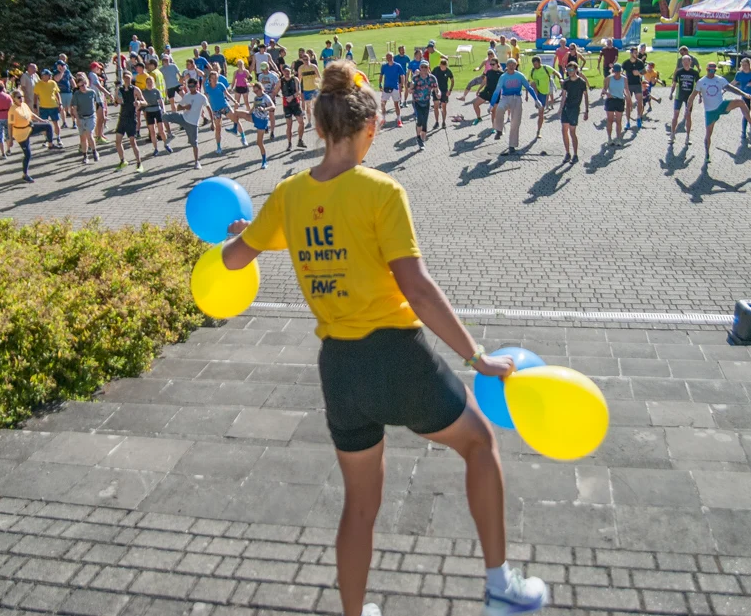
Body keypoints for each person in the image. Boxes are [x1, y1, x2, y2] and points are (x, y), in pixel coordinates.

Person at [222, 61, 547, 616]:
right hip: (396, 358)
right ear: (370, 127)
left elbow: (234, 259)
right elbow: (416, 288)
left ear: (319, 127)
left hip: (338, 370)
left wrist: (247, 234)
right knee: (479, 443)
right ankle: (500, 588)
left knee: (359, 506)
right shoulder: (381, 191)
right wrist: (476, 357)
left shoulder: (289, 194)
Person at [692, 63, 751, 162]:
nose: (712, 72)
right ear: (707, 70)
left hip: (721, 105)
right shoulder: (701, 81)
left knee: (740, 102)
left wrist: (744, 94)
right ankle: (707, 154)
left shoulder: (720, 79)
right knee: (708, 134)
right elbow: (693, 95)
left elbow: (731, 88)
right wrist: (688, 108)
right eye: (711, 70)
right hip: (710, 111)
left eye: (714, 70)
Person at [7, 90, 55, 183]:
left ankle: (50, 145)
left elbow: (31, 115)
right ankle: (25, 175)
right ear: (14, 99)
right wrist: (10, 139)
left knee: (48, 126)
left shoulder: (24, 105)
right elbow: (10, 125)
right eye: (19, 97)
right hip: (21, 134)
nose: (21, 99)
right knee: (28, 155)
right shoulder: (12, 110)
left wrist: (41, 120)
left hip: (29, 128)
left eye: (22, 96)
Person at [164, 77, 211, 169]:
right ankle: (170, 135)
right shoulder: (187, 96)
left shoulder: (202, 97)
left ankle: (197, 162)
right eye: (189, 86)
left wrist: (212, 122)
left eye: (192, 86)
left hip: (193, 123)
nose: (191, 88)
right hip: (183, 118)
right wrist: (185, 107)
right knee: (164, 116)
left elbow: (208, 108)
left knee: (194, 143)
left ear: (197, 86)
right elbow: (178, 108)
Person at [490, 59, 536, 155]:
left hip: (517, 99)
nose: (511, 66)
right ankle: (499, 129)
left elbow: (528, 87)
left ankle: (512, 145)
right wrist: (491, 104)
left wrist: (536, 99)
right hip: (505, 97)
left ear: (516, 66)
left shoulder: (520, 76)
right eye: (509, 65)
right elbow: (497, 91)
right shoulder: (503, 77)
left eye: (513, 65)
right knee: (499, 108)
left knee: (515, 122)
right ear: (506, 66)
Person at [559, 61, 589, 163]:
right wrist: (560, 109)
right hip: (566, 108)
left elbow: (586, 96)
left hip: (575, 109)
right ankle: (567, 153)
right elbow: (563, 96)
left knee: (572, 132)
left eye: (571, 69)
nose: (569, 71)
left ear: (576, 70)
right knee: (564, 130)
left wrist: (586, 111)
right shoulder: (566, 82)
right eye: (568, 70)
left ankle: (575, 154)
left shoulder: (581, 82)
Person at [115, 72, 146, 170]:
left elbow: (145, 102)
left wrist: (139, 102)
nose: (127, 79)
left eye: (128, 77)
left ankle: (139, 163)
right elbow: (116, 102)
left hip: (131, 118)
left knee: (132, 142)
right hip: (122, 117)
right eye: (125, 78)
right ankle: (122, 161)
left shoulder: (135, 89)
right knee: (118, 141)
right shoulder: (119, 89)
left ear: (131, 78)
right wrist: (116, 100)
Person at [205, 67, 238, 153]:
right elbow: (206, 98)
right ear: (210, 79)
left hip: (224, 106)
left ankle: (237, 130)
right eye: (213, 78)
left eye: (216, 78)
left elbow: (227, 94)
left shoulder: (220, 85)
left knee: (234, 117)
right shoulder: (207, 87)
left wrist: (234, 101)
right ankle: (219, 147)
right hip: (215, 110)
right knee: (218, 128)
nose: (215, 79)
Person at [669, 55, 700, 145]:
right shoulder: (679, 72)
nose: (686, 63)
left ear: (690, 62)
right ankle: (672, 134)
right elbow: (674, 83)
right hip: (679, 96)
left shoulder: (694, 72)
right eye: (684, 62)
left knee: (688, 116)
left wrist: (700, 96)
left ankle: (688, 136)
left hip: (689, 97)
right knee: (676, 115)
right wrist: (671, 93)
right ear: (682, 62)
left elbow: (698, 85)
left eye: (687, 61)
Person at [71, 73, 101, 164]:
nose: (83, 87)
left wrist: (95, 114)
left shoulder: (92, 92)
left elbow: (95, 103)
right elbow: (74, 108)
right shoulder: (76, 94)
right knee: (83, 138)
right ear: (78, 86)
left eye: (84, 84)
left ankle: (94, 152)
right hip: (81, 117)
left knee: (89, 135)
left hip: (91, 117)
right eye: (81, 86)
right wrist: (77, 119)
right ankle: (85, 156)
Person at [410, 62, 439, 151]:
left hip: (426, 102)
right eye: (422, 67)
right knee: (420, 121)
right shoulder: (415, 78)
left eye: (425, 67)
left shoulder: (432, 78)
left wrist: (438, 94)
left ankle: (422, 141)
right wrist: (411, 87)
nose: (423, 69)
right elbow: (410, 90)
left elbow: (436, 89)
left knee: (425, 123)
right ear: (420, 68)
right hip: (417, 102)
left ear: (428, 68)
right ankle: (418, 137)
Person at [140, 74, 170, 156]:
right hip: (149, 112)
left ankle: (166, 144)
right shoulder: (144, 92)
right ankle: (156, 149)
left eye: (151, 82)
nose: (149, 83)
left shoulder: (156, 91)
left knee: (161, 130)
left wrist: (163, 110)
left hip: (157, 110)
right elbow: (142, 103)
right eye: (148, 82)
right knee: (152, 131)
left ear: (153, 82)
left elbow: (161, 101)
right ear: (146, 83)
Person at [527, 56, 557, 140]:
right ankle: (536, 100)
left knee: (541, 114)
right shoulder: (532, 71)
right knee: (533, 83)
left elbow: (556, 72)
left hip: (544, 93)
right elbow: (528, 82)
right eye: (534, 64)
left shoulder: (546, 68)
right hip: (537, 92)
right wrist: (526, 95)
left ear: (540, 63)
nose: (535, 66)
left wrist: (561, 78)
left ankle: (538, 130)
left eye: (536, 64)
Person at [33, 69, 64, 147]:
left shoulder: (53, 83)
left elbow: (57, 93)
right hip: (43, 107)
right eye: (48, 75)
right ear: (43, 76)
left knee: (56, 123)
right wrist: (35, 105)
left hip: (53, 106)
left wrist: (60, 103)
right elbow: (35, 95)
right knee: (44, 124)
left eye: (50, 75)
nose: (50, 76)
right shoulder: (38, 84)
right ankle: (47, 139)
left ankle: (58, 138)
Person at [619, 47, 646, 129]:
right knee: (628, 104)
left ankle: (638, 118)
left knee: (640, 102)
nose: (636, 54)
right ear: (631, 53)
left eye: (637, 53)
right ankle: (627, 122)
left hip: (637, 84)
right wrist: (623, 76)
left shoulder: (640, 62)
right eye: (635, 53)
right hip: (628, 85)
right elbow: (621, 72)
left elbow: (644, 71)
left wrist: (639, 72)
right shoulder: (626, 63)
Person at [280, 66, 306, 151]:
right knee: (289, 125)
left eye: (288, 71)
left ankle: (300, 140)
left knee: (301, 122)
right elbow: (275, 91)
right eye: (285, 71)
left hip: (295, 104)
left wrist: (292, 96)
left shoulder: (295, 79)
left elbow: (299, 92)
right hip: (286, 105)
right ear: (283, 72)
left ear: (290, 71)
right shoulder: (281, 81)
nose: (287, 73)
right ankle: (289, 143)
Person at [600, 64, 627, 146]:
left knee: (619, 121)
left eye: (618, 72)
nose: (617, 73)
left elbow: (626, 90)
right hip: (611, 100)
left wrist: (629, 101)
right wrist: (607, 93)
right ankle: (609, 138)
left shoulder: (624, 79)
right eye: (615, 71)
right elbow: (604, 89)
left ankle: (618, 139)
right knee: (610, 120)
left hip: (620, 100)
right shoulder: (608, 78)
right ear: (613, 71)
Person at [378, 53, 406, 127]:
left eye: (390, 57)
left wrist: (402, 85)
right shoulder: (384, 66)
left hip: (395, 88)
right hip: (386, 87)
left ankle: (399, 120)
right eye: (387, 57)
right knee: (383, 103)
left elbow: (402, 75)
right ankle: (383, 119)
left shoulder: (397, 65)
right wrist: (380, 84)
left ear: (393, 57)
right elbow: (381, 75)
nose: (389, 58)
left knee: (396, 104)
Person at [431, 57, 454, 129]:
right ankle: (437, 122)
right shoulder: (436, 69)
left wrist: (450, 90)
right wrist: (432, 87)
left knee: (444, 107)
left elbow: (452, 81)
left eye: (444, 66)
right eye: (442, 66)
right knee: (436, 106)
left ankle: (443, 122)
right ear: (440, 64)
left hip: (444, 91)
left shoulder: (448, 71)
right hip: (436, 90)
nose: (443, 67)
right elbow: (431, 77)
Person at [299, 55, 321, 130]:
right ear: (302, 60)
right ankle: (309, 122)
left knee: (316, 106)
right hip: (306, 89)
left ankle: (318, 122)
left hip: (315, 89)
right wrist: (299, 90)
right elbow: (299, 80)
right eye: (304, 60)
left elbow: (319, 77)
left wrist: (320, 86)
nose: (306, 61)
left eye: (307, 59)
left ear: (309, 59)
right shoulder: (301, 68)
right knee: (308, 106)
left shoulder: (313, 67)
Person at [53, 60, 75, 128]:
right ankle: (64, 122)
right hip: (60, 93)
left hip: (68, 92)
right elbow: (57, 79)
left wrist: (75, 88)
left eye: (62, 65)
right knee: (62, 108)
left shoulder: (67, 71)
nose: (61, 67)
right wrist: (62, 72)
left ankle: (74, 122)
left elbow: (71, 80)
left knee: (72, 107)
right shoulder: (55, 72)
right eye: (59, 65)